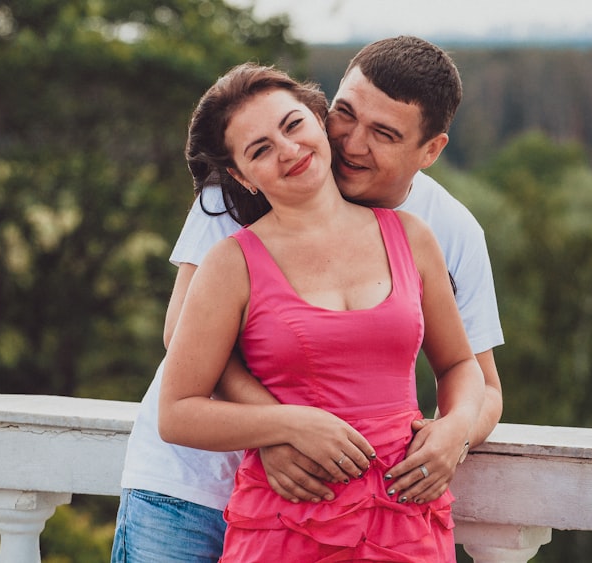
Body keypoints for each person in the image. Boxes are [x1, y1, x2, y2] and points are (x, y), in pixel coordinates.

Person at [112, 36, 504, 562]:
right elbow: (180, 335)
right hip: (190, 488)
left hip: (382, 515)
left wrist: (451, 437)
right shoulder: (238, 189)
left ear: (430, 150)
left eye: (384, 133)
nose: (351, 142)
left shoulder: (441, 230)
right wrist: (281, 428)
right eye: (344, 113)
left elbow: (476, 375)